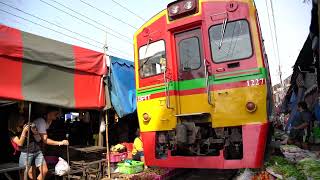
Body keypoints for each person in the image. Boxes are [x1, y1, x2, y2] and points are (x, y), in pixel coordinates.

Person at [8, 113, 47, 180]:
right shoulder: (12, 131)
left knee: (44, 171)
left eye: (23, 119)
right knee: (24, 175)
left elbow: (39, 139)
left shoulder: (26, 126)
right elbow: (20, 143)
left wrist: (34, 131)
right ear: (16, 120)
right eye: (21, 119)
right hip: (26, 153)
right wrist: (24, 131)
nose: (23, 121)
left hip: (37, 151)